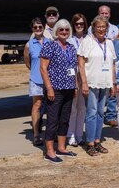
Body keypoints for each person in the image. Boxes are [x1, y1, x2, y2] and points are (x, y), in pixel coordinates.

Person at [39, 19, 78, 163]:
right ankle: (50, 151)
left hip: (69, 88)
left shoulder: (71, 47)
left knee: (65, 119)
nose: (64, 32)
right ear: (56, 31)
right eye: (61, 29)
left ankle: (62, 147)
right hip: (55, 89)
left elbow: (74, 69)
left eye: (67, 30)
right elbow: (43, 68)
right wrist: (49, 88)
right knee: (52, 120)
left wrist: (75, 86)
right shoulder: (50, 46)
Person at [78, 15, 116, 156]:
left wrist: (113, 83)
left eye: (103, 27)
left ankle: (97, 140)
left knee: (100, 112)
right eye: (98, 26)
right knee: (92, 112)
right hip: (92, 82)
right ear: (93, 27)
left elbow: (112, 64)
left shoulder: (109, 43)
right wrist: (84, 83)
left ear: (107, 28)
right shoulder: (88, 42)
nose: (101, 29)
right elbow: (81, 63)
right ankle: (90, 143)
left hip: (104, 83)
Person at [90, 5, 119, 128]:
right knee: (94, 102)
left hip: (110, 63)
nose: (104, 15)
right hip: (97, 68)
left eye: (106, 13)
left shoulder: (115, 29)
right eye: (102, 13)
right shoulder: (92, 31)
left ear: (110, 14)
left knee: (110, 95)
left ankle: (110, 116)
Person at [23, 17, 50, 147]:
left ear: (43, 28)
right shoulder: (29, 45)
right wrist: (35, 71)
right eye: (35, 27)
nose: (38, 29)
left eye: (40, 27)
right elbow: (27, 61)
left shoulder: (50, 42)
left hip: (49, 79)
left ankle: (51, 134)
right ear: (32, 29)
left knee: (52, 106)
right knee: (37, 105)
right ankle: (36, 135)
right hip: (36, 79)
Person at [66, 13, 88, 147]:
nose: (79, 26)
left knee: (82, 108)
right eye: (76, 24)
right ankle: (71, 135)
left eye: (81, 23)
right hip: (74, 77)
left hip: (86, 78)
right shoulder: (69, 40)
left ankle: (79, 134)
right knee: (72, 108)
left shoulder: (89, 39)